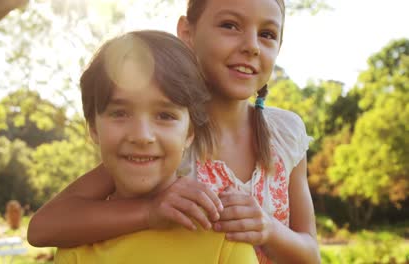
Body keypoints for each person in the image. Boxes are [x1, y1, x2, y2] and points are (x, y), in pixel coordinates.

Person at [29, 0, 320, 263]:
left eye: (267, 34)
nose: (252, 46)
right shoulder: (166, 142)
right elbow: (45, 227)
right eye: (230, 25)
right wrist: (151, 210)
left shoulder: (285, 134)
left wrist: (268, 229)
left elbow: (311, 255)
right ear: (188, 32)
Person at [53, 30, 258, 264]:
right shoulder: (75, 250)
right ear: (93, 128)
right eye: (120, 113)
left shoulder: (224, 241)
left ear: (190, 133)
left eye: (164, 115)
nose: (142, 136)